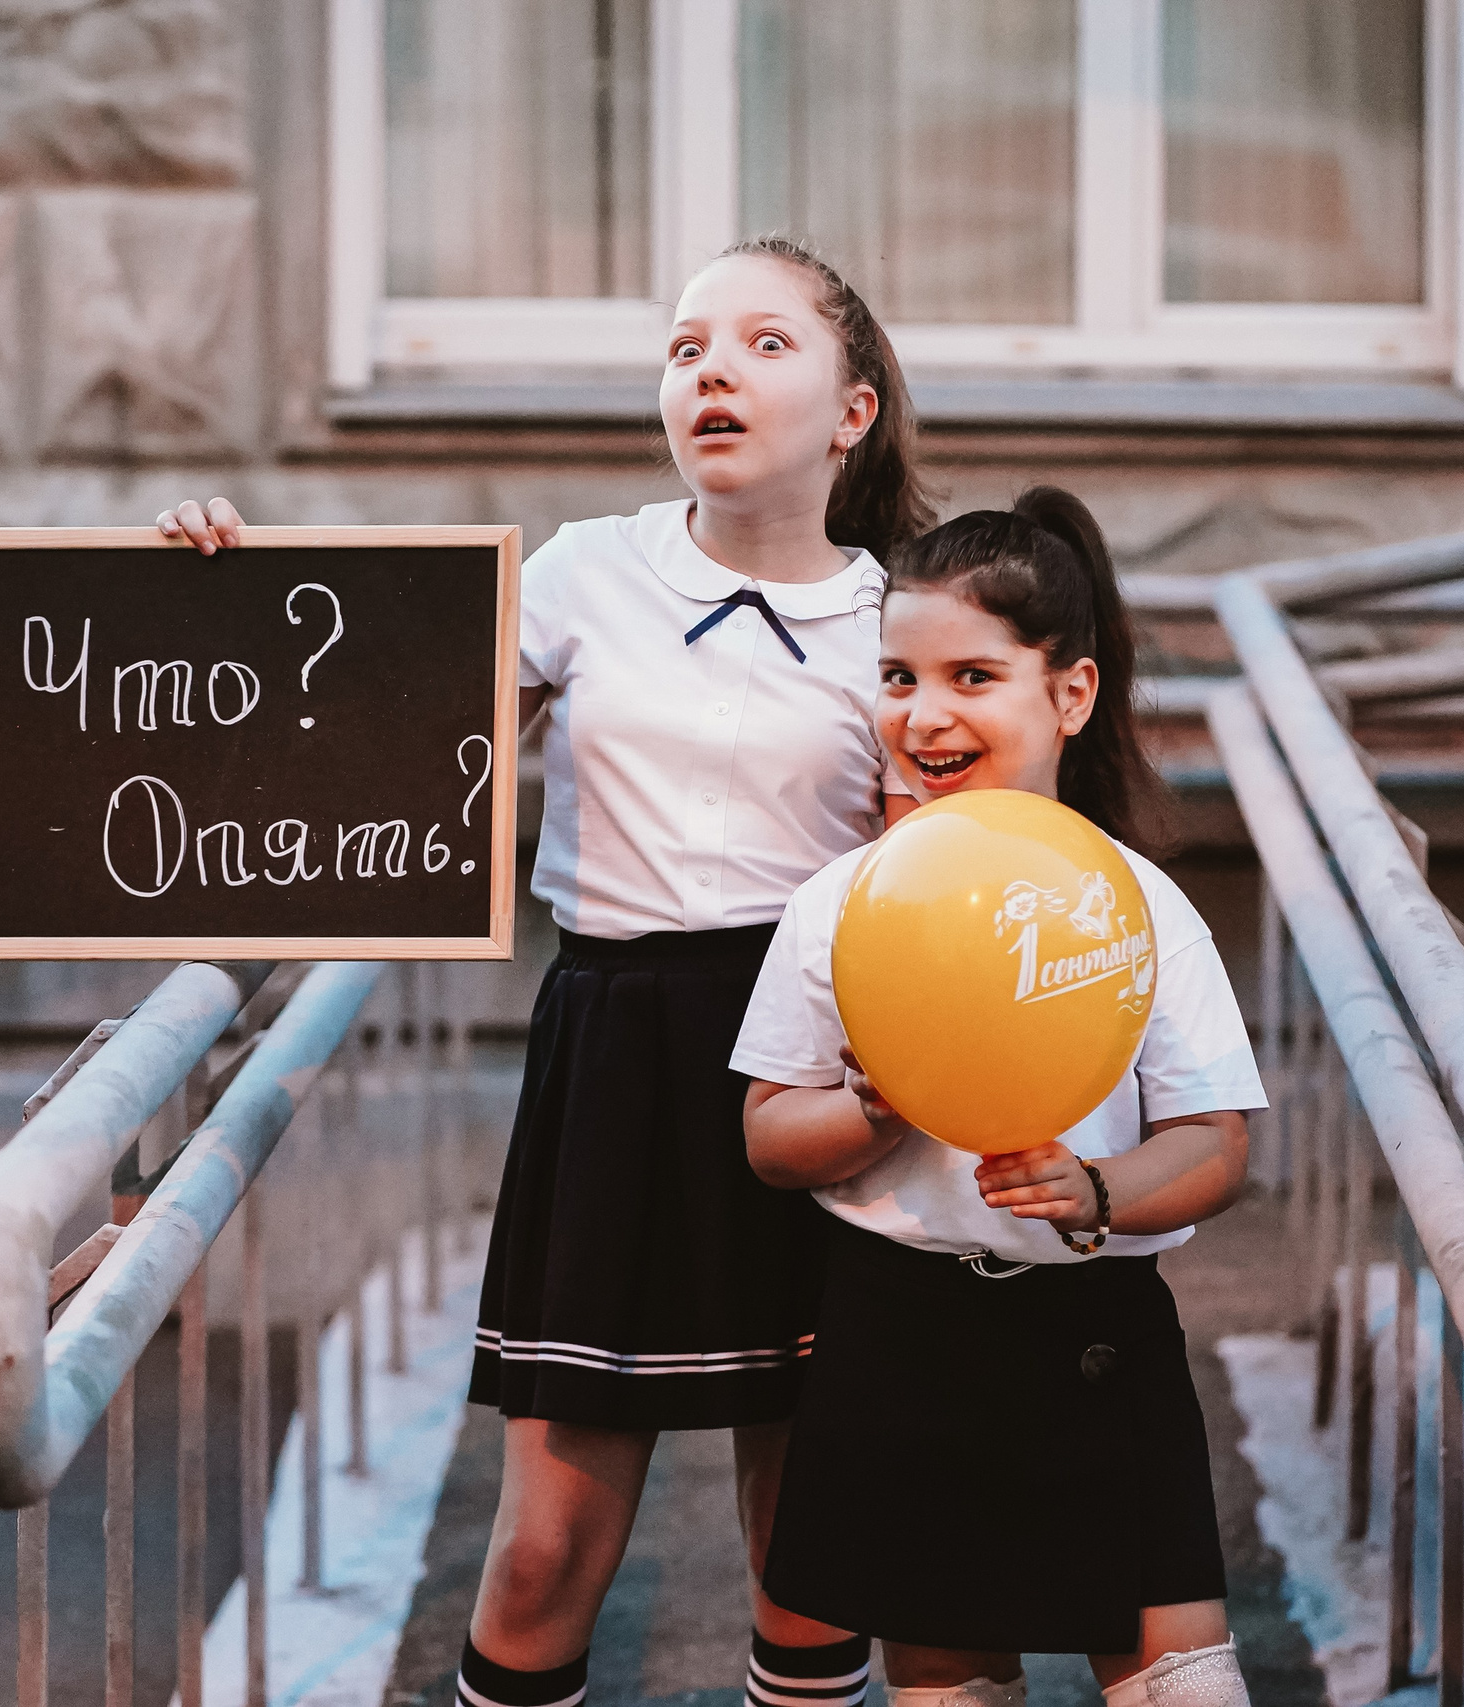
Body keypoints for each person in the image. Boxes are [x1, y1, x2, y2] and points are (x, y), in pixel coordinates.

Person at [155, 237, 936, 1707]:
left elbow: (949, 860)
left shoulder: (901, 620)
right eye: (687, 344)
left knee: (810, 1549)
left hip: (821, 1062)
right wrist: (222, 602)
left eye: (766, 343)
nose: (711, 368)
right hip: (619, 1056)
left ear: (853, 409)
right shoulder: (586, 569)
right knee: (542, 1548)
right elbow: (364, 722)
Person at [730, 489, 1267, 1707]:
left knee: (1183, 1684)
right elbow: (768, 1134)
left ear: (1068, 695)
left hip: (1094, 1339)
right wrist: (878, 1104)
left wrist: (1094, 1190)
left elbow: (1214, 1141)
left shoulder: (1134, 902)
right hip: (900, 1340)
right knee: (947, 1682)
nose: (925, 714)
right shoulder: (841, 904)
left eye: (973, 676)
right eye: (898, 677)